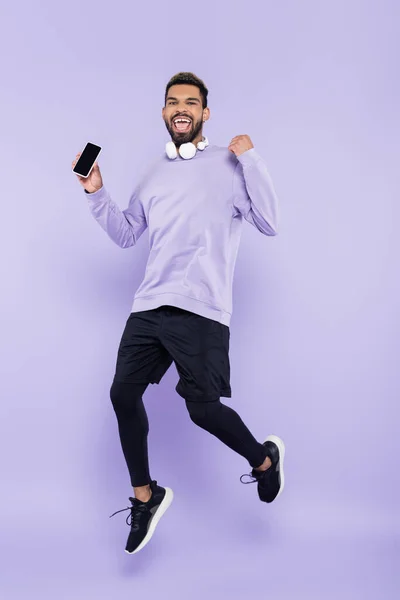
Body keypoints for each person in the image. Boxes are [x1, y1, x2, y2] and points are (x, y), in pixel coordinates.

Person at [72, 72, 285, 555]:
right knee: (122, 393)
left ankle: (265, 461)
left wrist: (251, 157)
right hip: (150, 305)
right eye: (173, 102)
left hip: (202, 310)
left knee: (202, 411)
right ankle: (145, 495)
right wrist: (95, 192)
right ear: (165, 113)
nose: (181, 108)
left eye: (191, 102)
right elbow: (128, 234)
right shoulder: (152, 171)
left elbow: (269, 222)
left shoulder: (231, 166)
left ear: (205, 113)